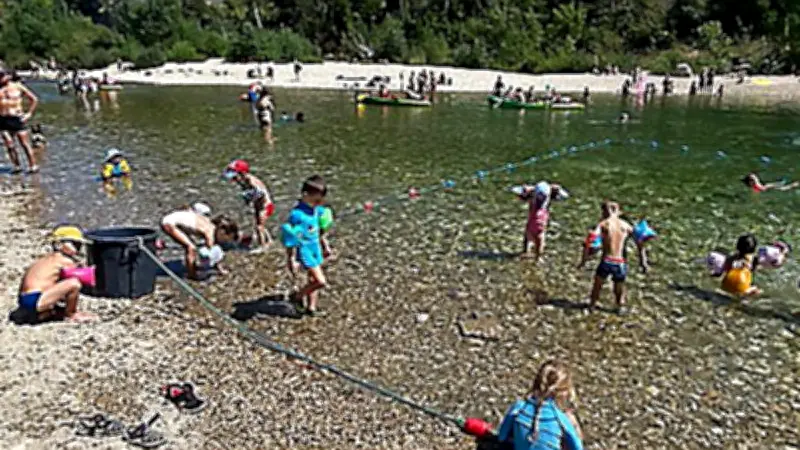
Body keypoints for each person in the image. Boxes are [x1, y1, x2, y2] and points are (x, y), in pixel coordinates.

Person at [495, 360, 584, 450]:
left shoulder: (518, 408)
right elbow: (578, 448)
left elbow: (501, 437)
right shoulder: (561, 419)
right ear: (563, 392)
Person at [578, 201, 648, 313]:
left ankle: (591, 306)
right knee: (619, 288)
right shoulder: (626, 226)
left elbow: (590, 242)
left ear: (605, 211)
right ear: (618, 211)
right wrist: (643, 261)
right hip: (620, 262)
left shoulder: (603, 224)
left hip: (606, 260)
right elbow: (640, 243)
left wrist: (584, 260)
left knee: (597, 286)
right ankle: (619, 307)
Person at [17, 225, 97, 324]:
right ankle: (71, 314)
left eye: (79, 244)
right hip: (35, 299)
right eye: (73, 243)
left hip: (25, 300)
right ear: (58, 245)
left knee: (61, 282)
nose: (77, 247)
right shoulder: (63, 260)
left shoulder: (47, 259)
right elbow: (85, 276)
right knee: (74, 283)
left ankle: (44, 313)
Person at [283, 175, 331, 315]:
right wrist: (290, 259)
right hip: (304, 250)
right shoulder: (297, 215)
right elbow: (289, 237)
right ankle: (297, 297)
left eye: (321, 200)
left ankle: (311, 308)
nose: (319, 202)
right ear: (305, 195)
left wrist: (325, 246)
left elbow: (319, 231)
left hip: (315, 247)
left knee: (311, 279)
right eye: (316, 199)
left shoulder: (315, 210)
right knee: (320, 281)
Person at [160, 204, 239, 280]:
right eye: (226, 239)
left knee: (190, 245)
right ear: (222, 232)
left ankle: (191, 267)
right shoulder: (209, 233)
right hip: (169, 223)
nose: (224, 242)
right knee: (191, 248)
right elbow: (212, 254)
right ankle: (191, 274)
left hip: (174, 220)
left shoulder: (210, 224)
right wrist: (219, 269)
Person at [223, 159, 274, 250]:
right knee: (259, 224)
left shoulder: (251, 181)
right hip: (258, 205)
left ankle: (262, 247)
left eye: (235, 177)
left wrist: (249, 196)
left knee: (259, 227)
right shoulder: (243, 181)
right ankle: (269, 241)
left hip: (265, 206)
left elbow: (260, 193)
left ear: (242, 173)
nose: (233, 180)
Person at [519, 181, 569, 263]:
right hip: (540, 222)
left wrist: (527, 189)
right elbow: (564, 195)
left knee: (528, 235)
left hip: (532, 221)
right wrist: (556, 188)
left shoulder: (532, 197)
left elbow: (521, 194)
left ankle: (526, 252)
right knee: (539, 239)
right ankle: (537, 258)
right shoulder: (545, 200)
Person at [0, 70, 39, 173]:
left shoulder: (17, 86)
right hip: (3, 119)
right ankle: (16, 166)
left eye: (2, 75)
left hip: (17, 118)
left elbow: (34, 99)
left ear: (8, 76)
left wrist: (29, 113)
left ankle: (33, 165)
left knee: (24, 143)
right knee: (9, 144)